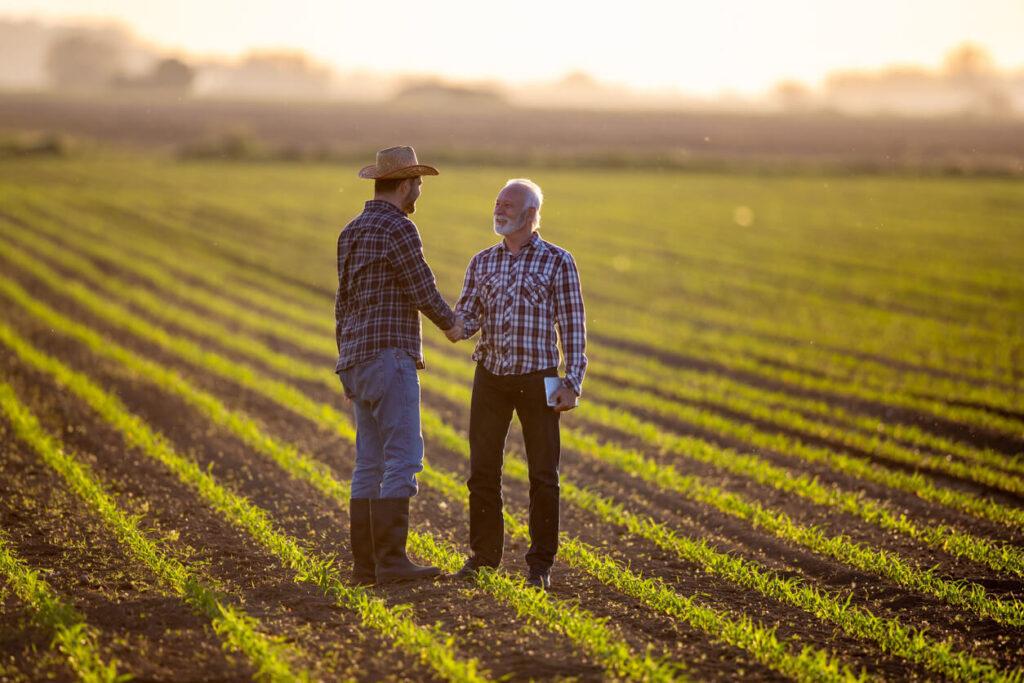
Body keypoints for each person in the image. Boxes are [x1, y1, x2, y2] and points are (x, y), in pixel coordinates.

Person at [335, 145, 463, 585]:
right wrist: (453, 325)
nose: (419, 192)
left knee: (368, 462)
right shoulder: (399, 229)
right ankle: (391, 561)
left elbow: (342, 303)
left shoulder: (350, 230)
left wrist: (345, 360)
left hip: (356, 358)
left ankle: (365, 566)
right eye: (419, 184)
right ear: (406, 184)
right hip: (390, 356)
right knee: (403, 458)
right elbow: (421, 288)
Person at [450, 178, 587, 590]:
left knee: (544, 474)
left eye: (508, 205)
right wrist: (450, 322)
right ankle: (484, 557)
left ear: (530, 214)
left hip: (540, 377)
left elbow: (573, 327)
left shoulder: (558, 261)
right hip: (490, 376)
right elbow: (467, 318)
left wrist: (572, 382)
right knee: (482, 471)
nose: (499, 209)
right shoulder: (481, 262)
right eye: (497, 203)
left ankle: (540, 564)